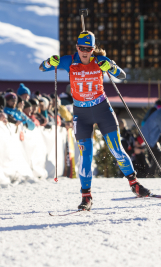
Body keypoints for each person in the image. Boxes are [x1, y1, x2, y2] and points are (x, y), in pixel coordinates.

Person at [40, 30, 151, 211]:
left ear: (93, 49)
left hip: (102, 110)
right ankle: (86, 197)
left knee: (116, 149)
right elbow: (42, 68)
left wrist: (111, 66)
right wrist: (49, 62)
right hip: (81, 114)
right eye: (82, 48)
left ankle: (135, 184)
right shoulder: (69, 60)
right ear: (77, 47)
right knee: (86, 157)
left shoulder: (99, 61)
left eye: (89, 49)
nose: (85, 52)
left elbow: (122, 76)